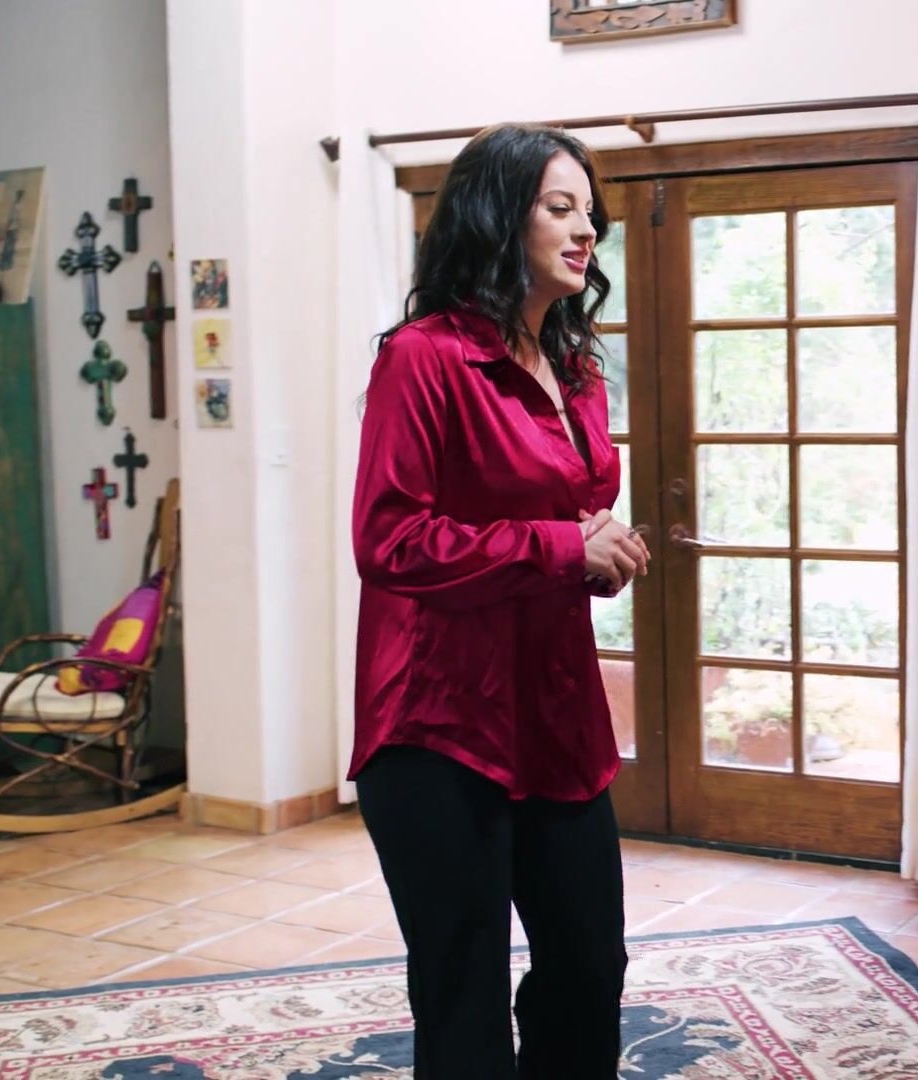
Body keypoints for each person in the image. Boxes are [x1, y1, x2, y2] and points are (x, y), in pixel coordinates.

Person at [349, 122, 649, 1077]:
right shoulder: (423, 358)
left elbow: (561, 521)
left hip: (556, 712)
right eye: (561, 208)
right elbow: (389, 542)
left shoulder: (579, 370)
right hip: (437, 723)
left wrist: (597, 554)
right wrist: (561, 548)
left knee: (590, 967)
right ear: (498, 218)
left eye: (590, 212)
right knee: (463, 991)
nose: (587, 230)